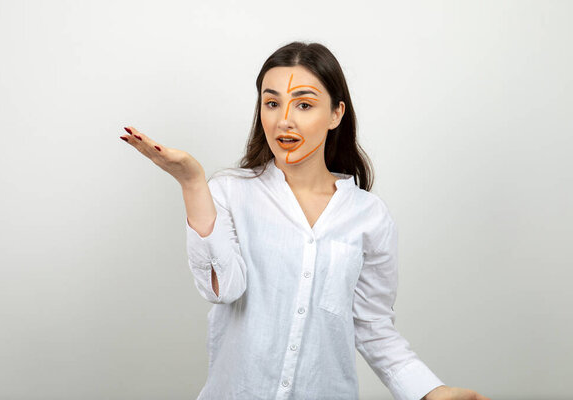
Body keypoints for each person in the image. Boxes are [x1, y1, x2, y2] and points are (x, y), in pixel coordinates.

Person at [119, 41, 491, 400]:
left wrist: (431, 391)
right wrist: (192, 183)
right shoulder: (229, 192)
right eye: (271, 103)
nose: (284, 120)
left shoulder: (369, 216)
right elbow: (222, 289)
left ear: (336, 114)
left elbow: (373, 327)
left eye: (303, 104)